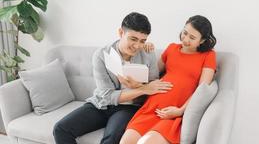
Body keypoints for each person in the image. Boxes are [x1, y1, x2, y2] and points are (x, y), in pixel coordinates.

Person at [53, 12, 173, 144]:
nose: (137, 46)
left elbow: (153, 85)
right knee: (60, 129)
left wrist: (138, 86)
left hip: (129, 108)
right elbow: (106, 95)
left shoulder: (147, 54)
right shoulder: (101, 55)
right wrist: (142, 89)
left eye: (142, 41)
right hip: (101, 104)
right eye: (133, 39)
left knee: (111, 139)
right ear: (121, 32)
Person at [120, 15, 217, 144]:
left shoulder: (209, 55)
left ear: (202, 40)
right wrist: (145, 50)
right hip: (151, 108)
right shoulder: (171, 48)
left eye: (192, 37)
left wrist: (180, 111)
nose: (185, 39)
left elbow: (202, 90)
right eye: (185, 33)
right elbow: (151, 75)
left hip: (172, 114)